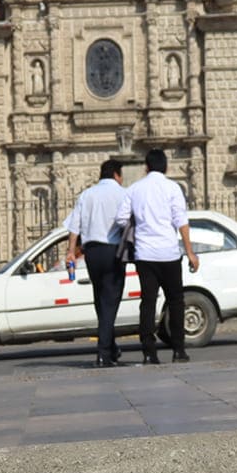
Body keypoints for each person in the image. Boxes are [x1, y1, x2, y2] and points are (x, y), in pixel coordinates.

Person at [116, 148, 199, 364]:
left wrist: (137, 227)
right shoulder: (173, 188)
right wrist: (190, 251)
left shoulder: (134, 189)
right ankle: (179, 349)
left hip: (144, 254)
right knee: (176, 301)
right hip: (169, 253)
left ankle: (149, 351)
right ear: (166, 167)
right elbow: (181, 220)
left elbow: (120, 219)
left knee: (148, 302)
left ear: (146, 166)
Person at [64, 158, 132, 367]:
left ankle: (111, 348)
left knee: (100, 299)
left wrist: (70, 252)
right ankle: (103, 353)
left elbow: (74, 225)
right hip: (113, 250)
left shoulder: (87, 194)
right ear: (117, 175)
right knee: (111, 300)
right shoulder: (123, 194)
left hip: (91, 252)